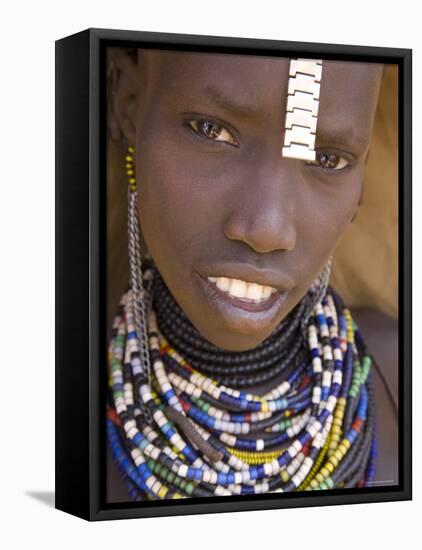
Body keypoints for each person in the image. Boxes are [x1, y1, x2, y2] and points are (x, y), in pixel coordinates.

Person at [105, 47, 399, 502]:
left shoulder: (400, 374)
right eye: (212, 130)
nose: (267, 230)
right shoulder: (39, 406)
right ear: (127, 106)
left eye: (328, 159)